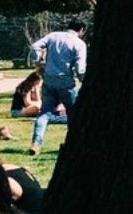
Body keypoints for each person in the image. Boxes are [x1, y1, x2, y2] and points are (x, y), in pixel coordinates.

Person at [27, 18, 88, 156]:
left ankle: (36, 143)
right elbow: (80, 67)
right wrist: (81, 78)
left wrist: (38, 62)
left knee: (45, 112)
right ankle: (73, 143)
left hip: (49, 79)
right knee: (73, 112)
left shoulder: (53, 36)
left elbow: (35, 46)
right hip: (66, 81)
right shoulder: (79, 44)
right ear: (82, 30)